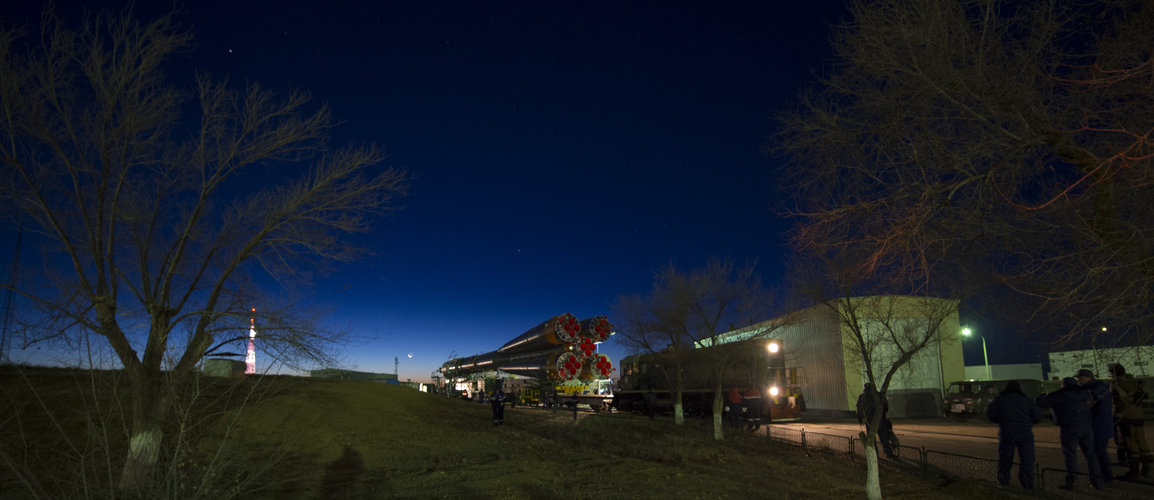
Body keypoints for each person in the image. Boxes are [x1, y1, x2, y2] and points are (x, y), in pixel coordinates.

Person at [1037, 377, 1100, 490]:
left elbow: (1041, 404)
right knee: (1091, 455)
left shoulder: (1060, 395)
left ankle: (1071, 481)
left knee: (1070, 454)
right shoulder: (1085, 394)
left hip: (1069, 427)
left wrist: (1041, 396)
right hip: (1086, 427)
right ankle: (1096, 481)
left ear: (1063, 385)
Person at [987, 380, 1043, 489]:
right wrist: (1028, 422)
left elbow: (991, 415)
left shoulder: (1000, 399)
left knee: (1005, 457)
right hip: (1025, 432)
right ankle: (1027, 483)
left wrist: (1002, 421)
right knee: (1027, 458)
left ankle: (1004, 480)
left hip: (1007, 431)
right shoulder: (1026, 400)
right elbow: (1037, 416)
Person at [1109, 363, 1151, 479]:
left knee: (1129, 442)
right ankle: (1146, 468)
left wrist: (1118, 415)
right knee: (1141, 440)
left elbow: (1119, 400)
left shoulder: (1116, 383)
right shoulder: (1133, 381)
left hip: (1126, 416)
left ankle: (1133, 471)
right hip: (1138, 415)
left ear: (1113, 373)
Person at [1077, 368, 1114, 485]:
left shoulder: (1095, 390)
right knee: (1099, 453)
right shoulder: (1101, 388)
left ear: (1087, 378)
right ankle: (1105, 478)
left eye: (1080, 378)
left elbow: (1095, 407)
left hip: (1098, 426)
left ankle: (1105, 478)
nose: (1079, 381)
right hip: (1101, 425)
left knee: (1098, 453)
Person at [856, 382, 899, 459]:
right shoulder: (879, 395)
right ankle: (889, 454)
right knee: (884, 439)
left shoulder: (862, 397)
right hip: (881, 420)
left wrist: (860, 417)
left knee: (872, 439)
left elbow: (859, 409)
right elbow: (886, 407)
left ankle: (875, 455)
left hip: (869, 421)